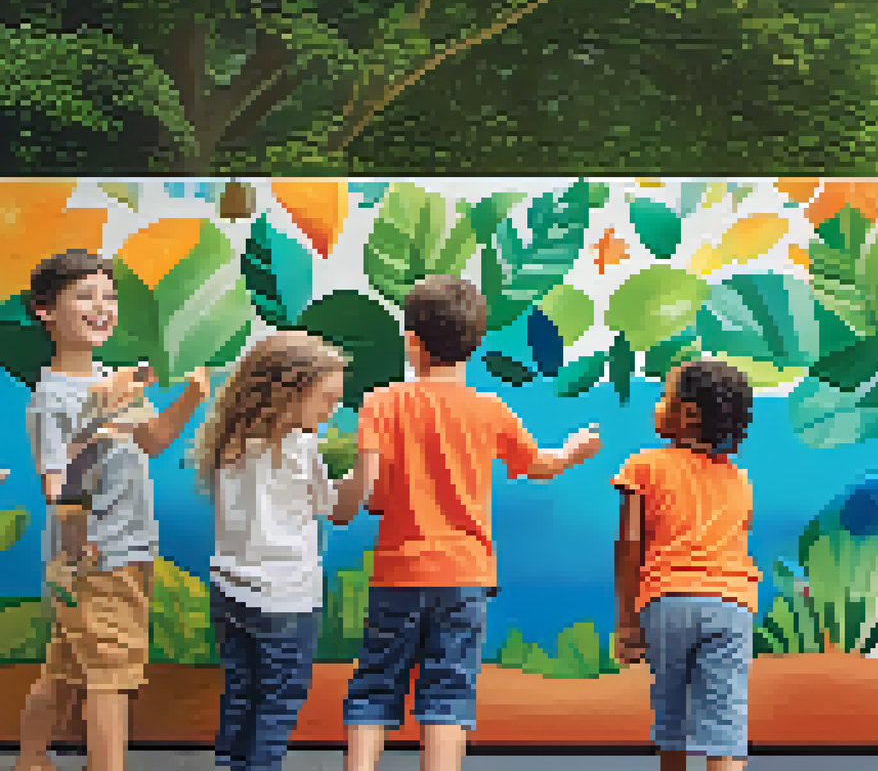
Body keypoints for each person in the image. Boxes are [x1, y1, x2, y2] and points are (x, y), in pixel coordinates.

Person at [341, 275, 602, 771]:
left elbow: (371, 488)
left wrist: (377, 501)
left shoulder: (379, 403)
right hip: (465, 576)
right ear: (474, 344)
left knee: (374, 684)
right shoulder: (490, 409)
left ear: (411, 342)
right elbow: (539, 465)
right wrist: (574, 451)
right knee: (449, 689)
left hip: (398, 572)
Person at [15, 249, 210, 771]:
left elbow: (154, 440)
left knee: (64, 667)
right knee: (111, 677)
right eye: (85, 295)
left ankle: (32, 760)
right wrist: (92, 422)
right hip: (93, 555)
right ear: (45, 311)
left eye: (109, 295)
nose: (101, 307)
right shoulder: (51, 397)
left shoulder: (114, 380)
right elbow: (55, 488)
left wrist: (190, 398)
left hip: (123, 548)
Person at [192, 331, 371, 771]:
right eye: (326, 399)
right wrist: (367, 464)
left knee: (241, 693)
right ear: (288, 394)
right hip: (285, 599)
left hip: (229, 591)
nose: (331, 411)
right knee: (278, 703)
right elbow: (340, 510)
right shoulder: (300, 447)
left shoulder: (226, 443)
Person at [613, 359, 760, 771]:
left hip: (667, 602)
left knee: (671, 711)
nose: (658, 404)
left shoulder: (643, 467)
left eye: (665, 395)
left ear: (688, 413)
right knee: (725, 718)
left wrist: (627, 624)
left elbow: (629, 545)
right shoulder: (739, 480)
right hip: (731, 606)